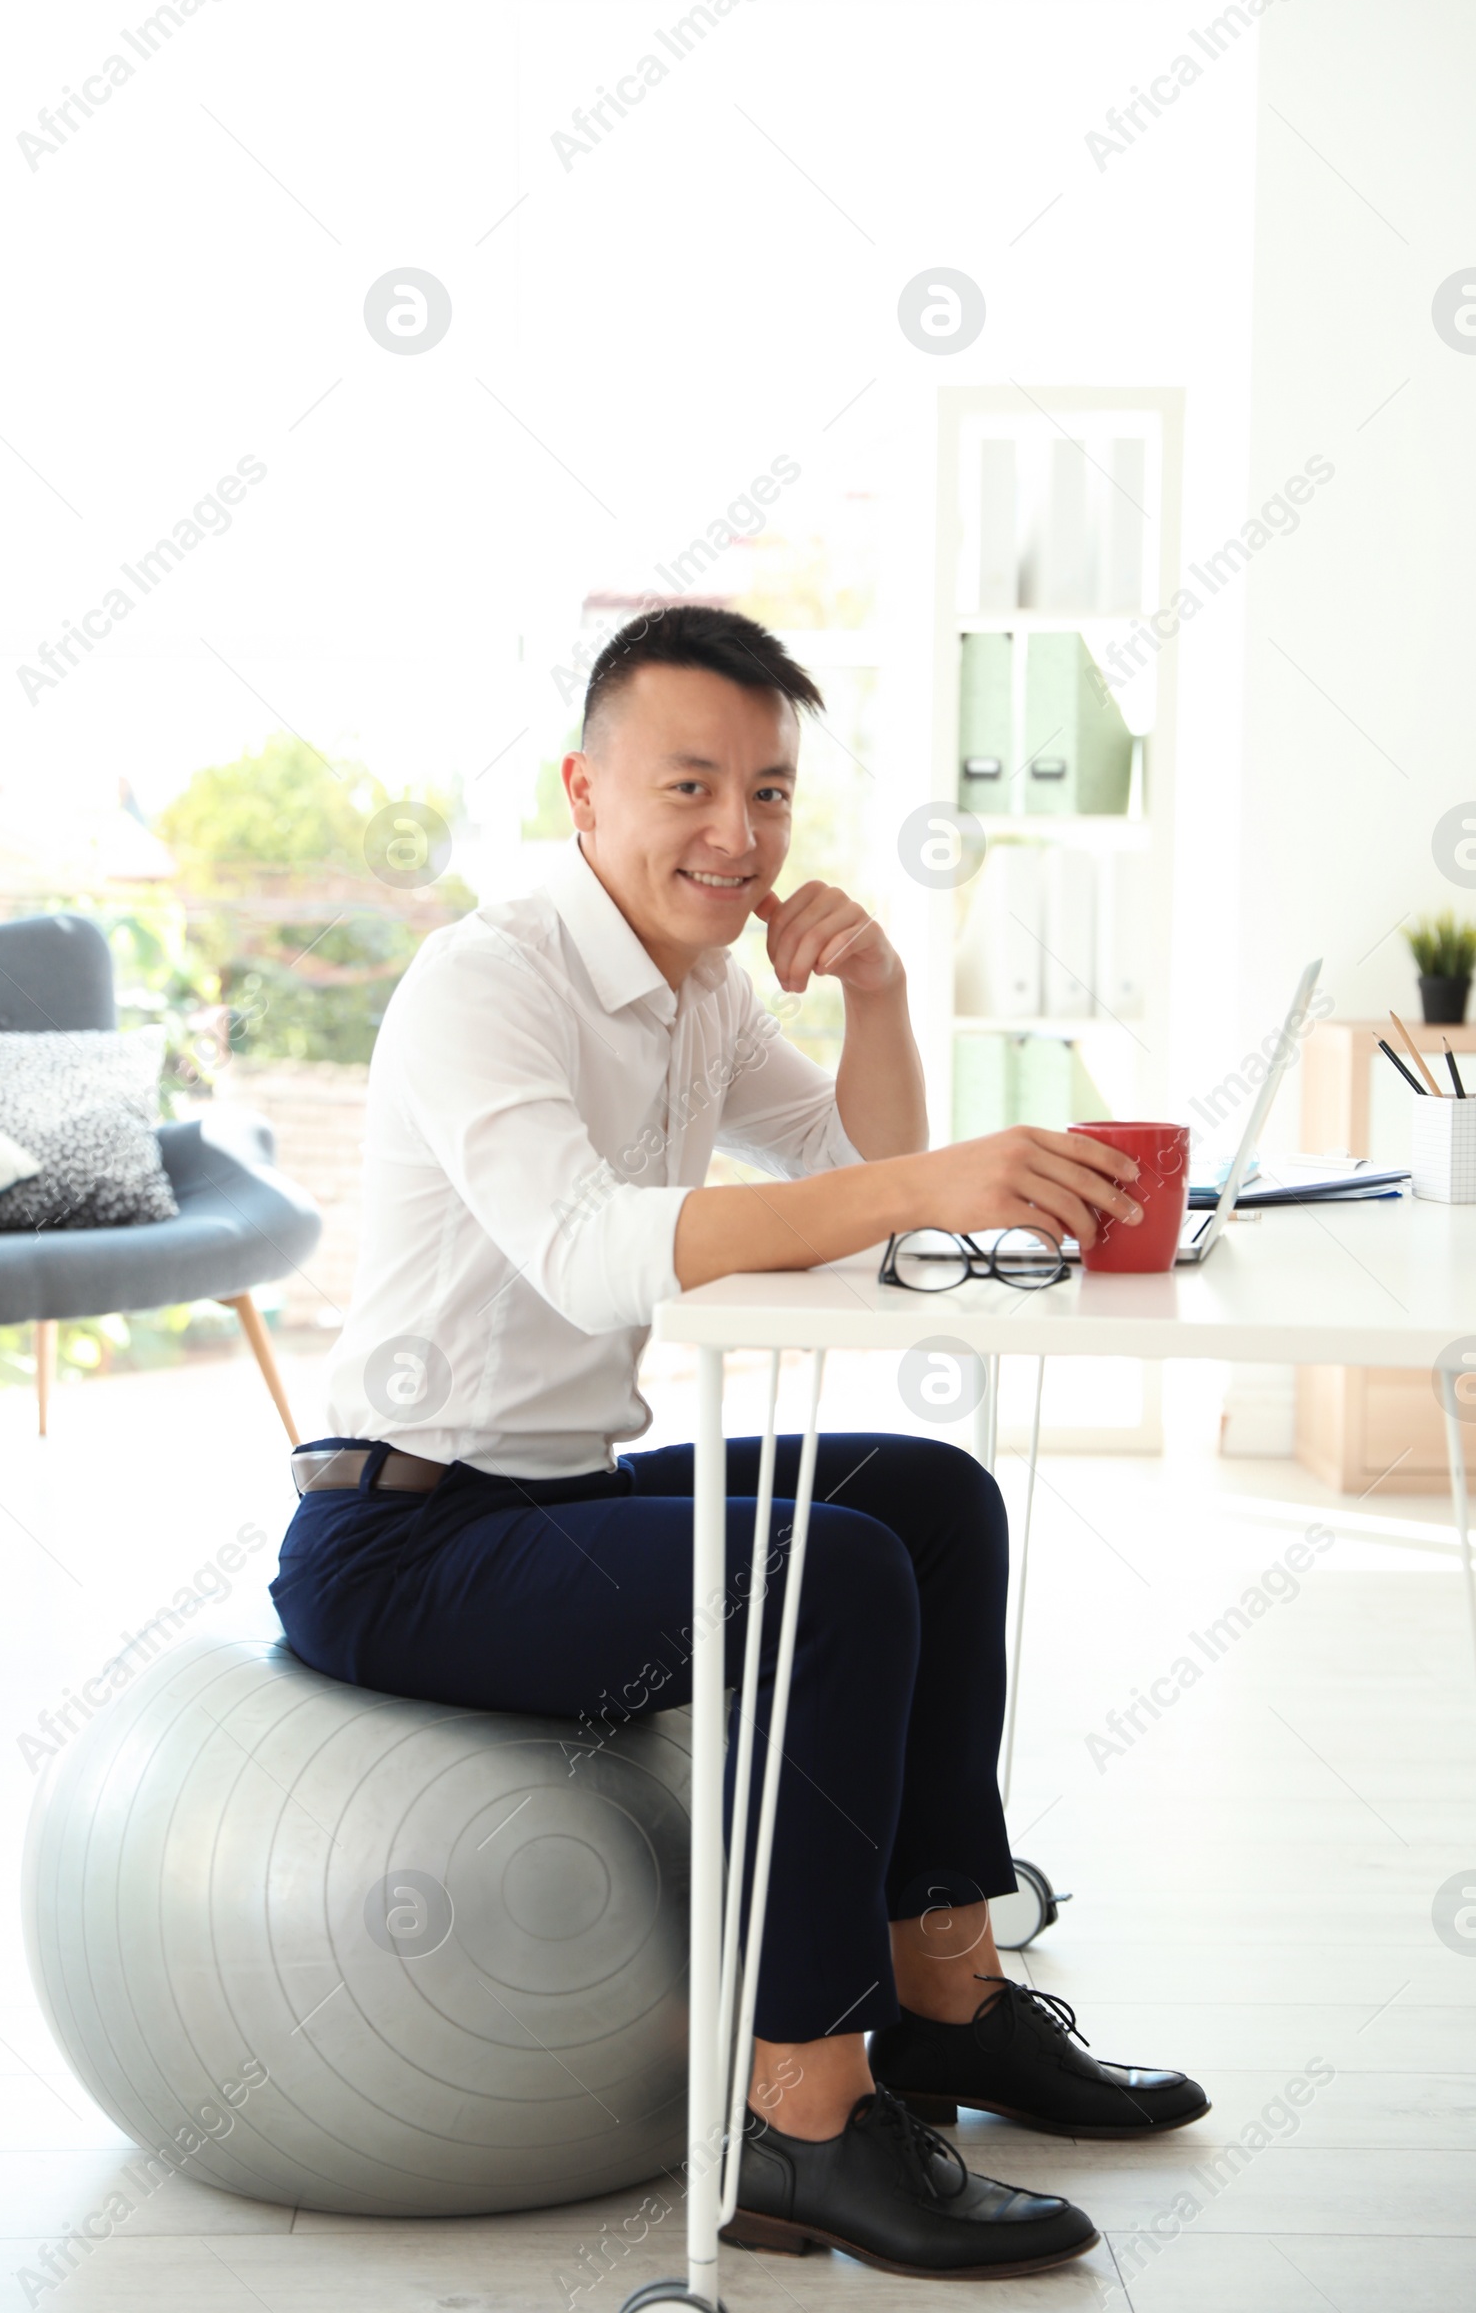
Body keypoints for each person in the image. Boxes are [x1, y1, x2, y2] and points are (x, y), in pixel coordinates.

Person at [271, 604, 1208, 2283]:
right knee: (828, 1575)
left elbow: (857, 1183)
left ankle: (950, 2006)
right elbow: (587, 1243)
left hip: (545, 1494)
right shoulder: (488, 979)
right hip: (400, 1537)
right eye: (691, 785)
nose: (737, 833)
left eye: (770, 794)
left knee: (925, 1498)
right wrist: (921, 1184)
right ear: (583, 789)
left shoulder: (699, 992)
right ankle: (804, 2123)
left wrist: (881, 987)